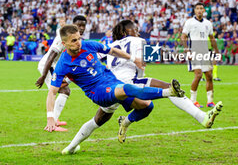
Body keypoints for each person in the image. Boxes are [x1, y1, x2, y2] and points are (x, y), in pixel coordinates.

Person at [61, 21, 223, 155]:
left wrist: (68, 79)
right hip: (126, 84)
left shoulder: (111, 44)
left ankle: (72, 146)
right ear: (126, 32)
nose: (138, 31)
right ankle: (202, 117)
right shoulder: (139, 41)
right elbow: (154, 57)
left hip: (109, 85)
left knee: (100, 119)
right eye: (135, 29)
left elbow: (90, 62)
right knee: (169, 90)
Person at [46, 24, 185, 152]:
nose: (78, 43)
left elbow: (113, 51)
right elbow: (52, 92)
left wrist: (133, 59)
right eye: (74, 41)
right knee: (128, 88)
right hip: (98, 92)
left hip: (112, 82)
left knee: (146, 107)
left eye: (79, 39)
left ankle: (71, 148)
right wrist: (50, 117)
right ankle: (169, 92)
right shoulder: (62, 64)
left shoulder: (88, 45)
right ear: (64, 44)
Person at [35, 15, 87, 131]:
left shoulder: (76, 38)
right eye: (79, 25)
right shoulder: (63, 37)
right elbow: (51, 57)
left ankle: (55, 120)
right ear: (73, 25)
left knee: (65, 91)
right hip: (48, 66)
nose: (81, 28)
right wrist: (43, 76)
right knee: (64, 91)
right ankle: (52, 123)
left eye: (83, 25)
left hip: (56, 66)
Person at [181, 2, 220, 108]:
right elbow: (183, 37)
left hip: (205, 53)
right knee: (198, 75)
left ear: (204, 11)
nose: (199, 10)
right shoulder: (189, 22)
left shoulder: (208, 23)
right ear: (194, 10)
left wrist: (217, 51)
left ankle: (210, 101)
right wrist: (187, 50)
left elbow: (212, 38)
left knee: (209, 76)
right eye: (197, 8)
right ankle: (192, 101)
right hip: (194, 52)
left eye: (201, 8)